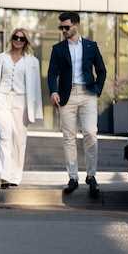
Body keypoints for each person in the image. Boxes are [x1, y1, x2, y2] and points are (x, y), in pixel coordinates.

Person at [48, 11, 107, 197]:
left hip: (88, 94)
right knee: (69, 137)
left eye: (66, 27)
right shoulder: (58, 49)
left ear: (76, 25)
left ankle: (91, 176)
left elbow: (102, 70)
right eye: (61, 27)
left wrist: (97, 89)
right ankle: (73, 177)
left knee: (90, 133)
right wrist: (54, 91)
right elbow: (52, 73)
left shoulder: (91, 46)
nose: (64, 30)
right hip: (67, 95)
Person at [0, 28, 43, 189]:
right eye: (16, 37)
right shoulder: (1, 58)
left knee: (19, 139)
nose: (18, 40)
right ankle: (4, 176)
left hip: (21, 102)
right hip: (2, 100)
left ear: (26, 42)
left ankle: (15, 176)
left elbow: (36, 87)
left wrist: (35, 110)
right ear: (11, 39)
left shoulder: (32, 62)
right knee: (3, 137)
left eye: (22, 39)